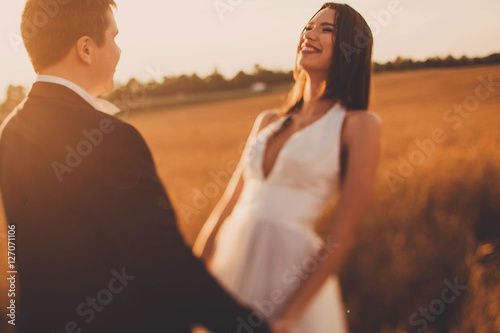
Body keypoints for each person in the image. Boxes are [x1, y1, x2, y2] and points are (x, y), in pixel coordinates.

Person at [0, 1, 272, 333]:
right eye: (113, 38)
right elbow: (164, 261)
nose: (118, 51)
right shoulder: (111, 138)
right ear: (86, 48)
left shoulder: (11, 129)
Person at [192, 3, 382, 333]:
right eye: (308, 27)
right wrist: (193, 272)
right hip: (230, 264)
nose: (310, 34)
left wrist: (290, 314)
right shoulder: (269, 121)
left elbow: (344, 233)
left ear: (352, 49)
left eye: (328, 30)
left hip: (291, 280)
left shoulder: (359, 124)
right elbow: (228, 203)